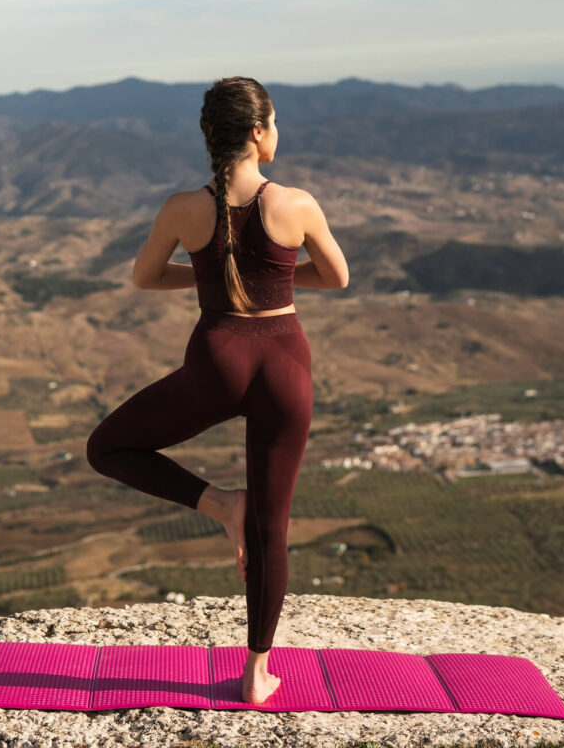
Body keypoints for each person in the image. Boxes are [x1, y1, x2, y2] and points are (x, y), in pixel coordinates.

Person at [86, 75, 349, 704]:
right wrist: (274, 278)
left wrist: (214, 280)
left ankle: (216, 503)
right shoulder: (298, 203)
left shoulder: (183, 207)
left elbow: (146, 278)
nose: (277, 133)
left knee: (108, 447)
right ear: (258, 132)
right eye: (275, 122)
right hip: (287, 361)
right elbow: (337, 277)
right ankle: (257, 673)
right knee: (273, 524)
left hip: (217, 358)